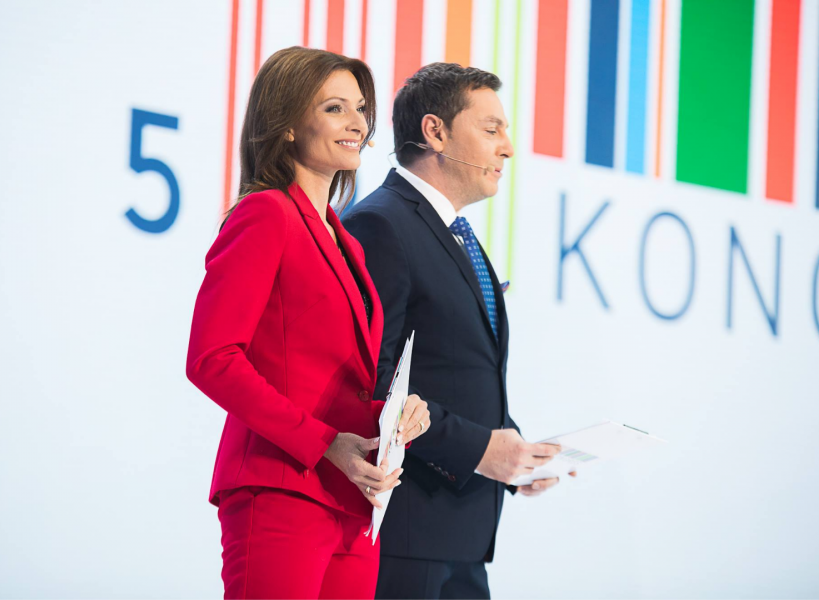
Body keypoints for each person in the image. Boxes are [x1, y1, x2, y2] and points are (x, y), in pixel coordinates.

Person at [185, 47, 430, 600]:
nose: (357, 122)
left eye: (360, 108)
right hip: (281, 489)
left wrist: (395, 417)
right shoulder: (265, 213)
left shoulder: (347, 243)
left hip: (354, 502)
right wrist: (324, 443)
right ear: (289, 125)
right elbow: (211, 359)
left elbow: (338, 380)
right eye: (334, 108)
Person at [343, 62, 565, 600]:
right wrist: (480, 449)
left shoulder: (456, 233)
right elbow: (374, 379)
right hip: (406, 531)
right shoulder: (381, 224)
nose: (508, 148)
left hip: (461, 535)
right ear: (435, 132)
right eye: (492, 129)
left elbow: (453, 371)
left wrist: (514, 450)